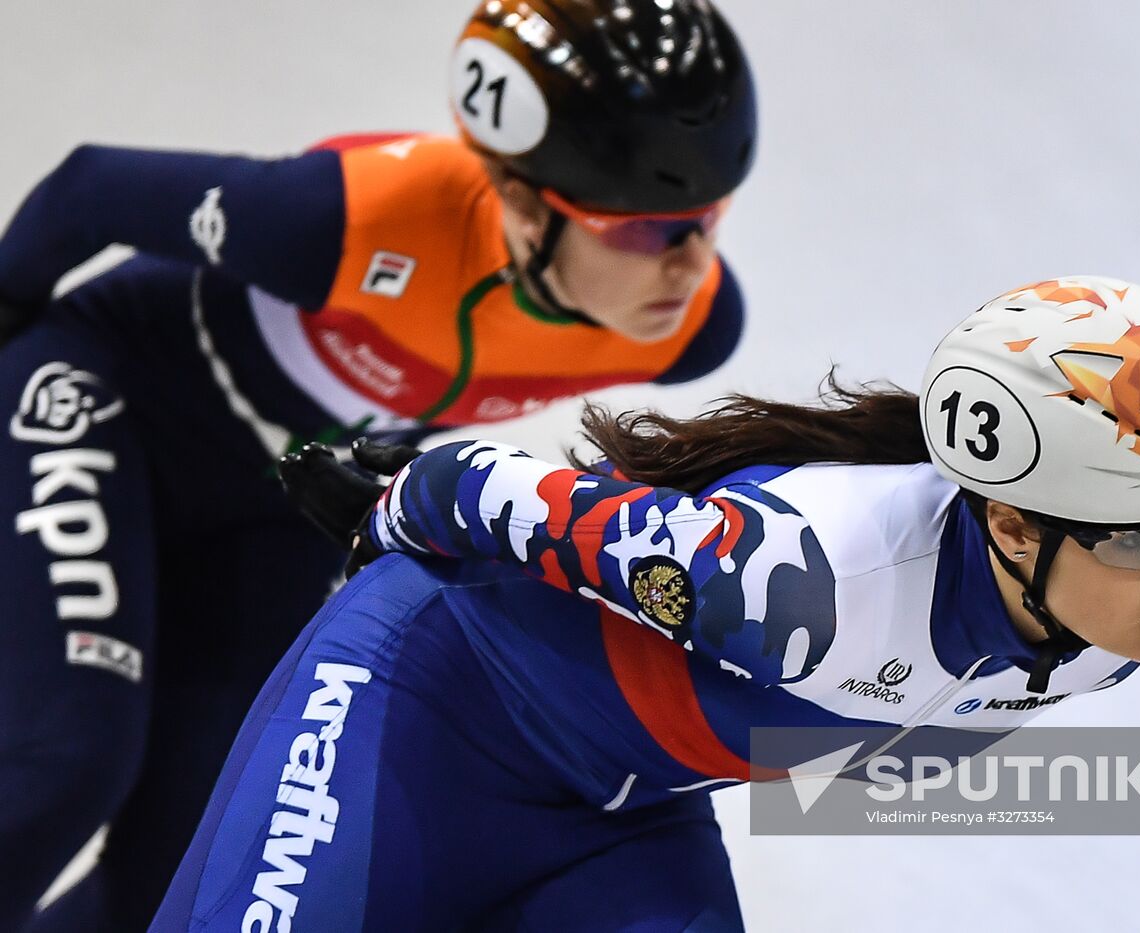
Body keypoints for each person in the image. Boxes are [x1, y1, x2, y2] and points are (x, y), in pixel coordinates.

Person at [154, 276, 1140, 931]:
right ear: (1011, 524)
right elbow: (490, 489)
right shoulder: (802, 583)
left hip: (617, 809)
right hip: (424, 702)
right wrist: (377, 518)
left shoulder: (1097, 629)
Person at [0, 1, 756, 927]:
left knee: (186, 846)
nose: (690, 268)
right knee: (68, 760)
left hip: (272, 498)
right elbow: (84, 191)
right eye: (648, 232)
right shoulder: (348, 218)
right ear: (523, 205)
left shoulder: (691, 328)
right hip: (106, 392)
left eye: (709, 220)